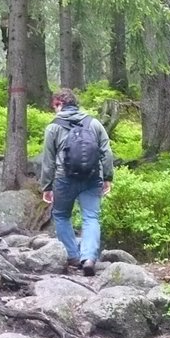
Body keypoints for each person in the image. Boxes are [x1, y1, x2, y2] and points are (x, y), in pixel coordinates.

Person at [40, 88, 114, 276]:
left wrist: (47, 186)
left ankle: (73, 255)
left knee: (61, 215)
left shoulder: (53, 127)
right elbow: (106, 152)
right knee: (91, 217)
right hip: (91, 177)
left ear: (59, 104)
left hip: (64, 179)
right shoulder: (94, 123)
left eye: (54, 106)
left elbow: (48, 160)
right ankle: (89, 257)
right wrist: (107, 177)